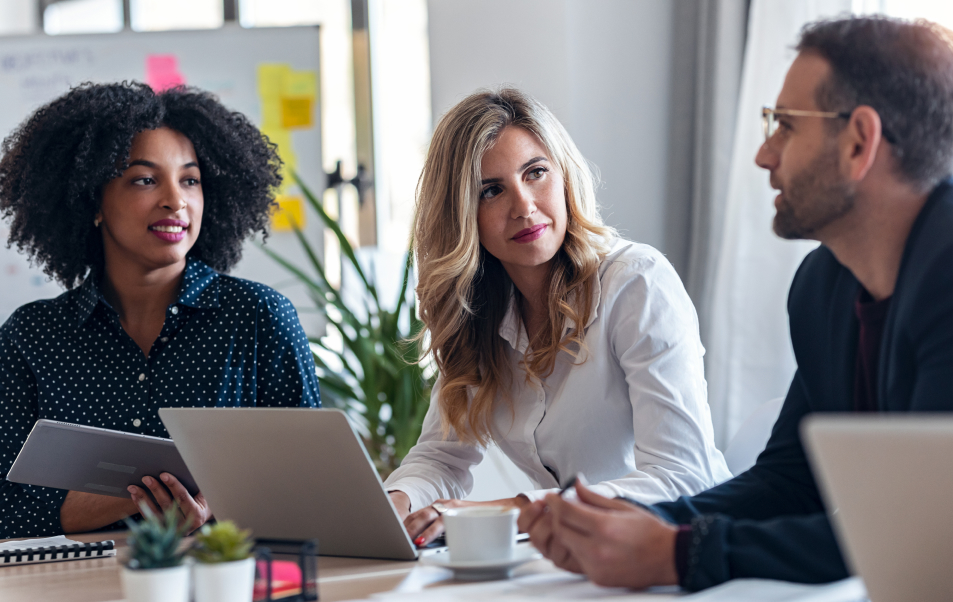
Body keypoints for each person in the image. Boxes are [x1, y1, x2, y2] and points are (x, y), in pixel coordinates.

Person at [519, 15, 953, 591]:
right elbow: (790, 481)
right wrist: (647, 522)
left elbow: (920, 533)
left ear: (858, 143)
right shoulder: (823, 287)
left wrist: (680, 553)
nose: (763, 155)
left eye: (786, 127)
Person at [383, 87, 730, 546]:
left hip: (680, 549)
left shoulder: (636, 283)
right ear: (463, 214)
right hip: (574, 560)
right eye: (491, 190)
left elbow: (683, 475)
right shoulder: (479, 315)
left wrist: (510, 509)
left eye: (536, 173)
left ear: (564, 175)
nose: (524, 206)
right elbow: (441, 458)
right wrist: (394, 505)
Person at [0, 82, 322, 540]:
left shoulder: (259, 318)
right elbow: (4, 507)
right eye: (145, 179)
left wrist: (215, 503)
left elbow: (318, 485)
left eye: (190, 179)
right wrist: (147, 490)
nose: (176, 200)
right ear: (93, 202)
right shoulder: (33, 337)